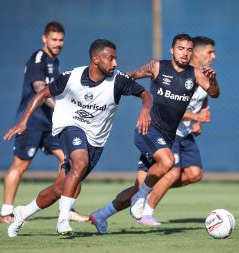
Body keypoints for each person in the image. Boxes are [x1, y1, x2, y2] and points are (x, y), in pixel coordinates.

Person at [3, 39, 152, 238]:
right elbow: (42, 94)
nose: (115, 63)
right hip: (69, 126)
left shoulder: (119, 80)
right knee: (80, 162)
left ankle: (23, 212)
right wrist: (23, 122)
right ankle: (63, 221)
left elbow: (146, 95)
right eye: (111, 58)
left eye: (116, 58)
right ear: (96, 59)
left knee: (60, 188)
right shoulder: (71, 77)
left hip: (96, 140)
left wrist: (145, 109)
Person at [89, 33, 220, 234]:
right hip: (147, 129)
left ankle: (101, 215)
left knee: (139, 186)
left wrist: (214, 80)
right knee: (167, 163)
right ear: (172, 50)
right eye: (180, 49)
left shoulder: (195, 74)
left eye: (188, 49)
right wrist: (107, 85)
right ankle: (142, 199)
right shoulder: (157, 66)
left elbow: (214, 93)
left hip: (166, 137)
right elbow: (130, 76)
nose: (185, 53)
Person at [0, 21, 88, 224]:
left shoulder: (53, 61)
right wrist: (60, 108)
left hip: (50, 124)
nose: (58, 43)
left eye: (61, 40)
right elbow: (40, 88)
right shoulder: (38, 58)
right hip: (32, 122)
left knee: (72, 161)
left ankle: (66, 209)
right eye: (54, 39)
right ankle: (6, 212)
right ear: (44, 38)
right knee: (19, 166)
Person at [136, 36, 217, 226]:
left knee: (195, 174)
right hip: (167, 133)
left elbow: (204, 98)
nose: (213, 56)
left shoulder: (203, 75)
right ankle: (146, 214)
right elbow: (171, 110)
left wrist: (199, 121)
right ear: (196, 53)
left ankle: (149, 188)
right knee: (172, 172)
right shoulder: (177, 75)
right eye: (210, 52)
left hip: (186, 133)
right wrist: (196, 118)